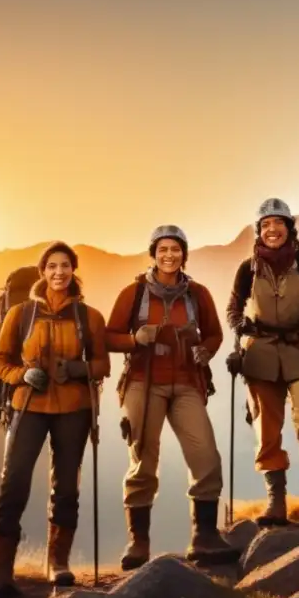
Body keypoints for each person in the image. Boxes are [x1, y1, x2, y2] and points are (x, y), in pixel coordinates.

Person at [0, 241, 111, 598]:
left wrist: (77, 368)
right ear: (42, 271)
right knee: (14, 483)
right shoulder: (20, 315)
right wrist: (21, 376)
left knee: (66, 486)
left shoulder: (89, 317)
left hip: (74, 408)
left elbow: (102, 366)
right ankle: (1, 571)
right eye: (52, 266)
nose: (59, 272)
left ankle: (58, 563)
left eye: (65, 266)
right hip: (28, 406)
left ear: (73, 271)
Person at [106, 225, 239, 569]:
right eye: (163, 249)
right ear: (153, 253)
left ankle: (204, 537)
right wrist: (137, 340)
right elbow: (110, 336)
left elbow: (213, 333)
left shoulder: (197, 293)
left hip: (186, 382)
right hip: (142, 381)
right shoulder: (134, 293)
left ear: (184, 253)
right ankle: (139, 542)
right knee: (143, 457)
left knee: (205, 454)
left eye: (175, 249)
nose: (169, 255)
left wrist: (205, 352)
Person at [226, 198, 299, 525]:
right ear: (259, 231)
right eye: (265, 225)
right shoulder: (247, 267)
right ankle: (275, 503)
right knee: (267, 429)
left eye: (278, 224)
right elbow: (234, 307)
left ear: (289, 228)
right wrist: (239, 326)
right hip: (260, 354)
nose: (272, 230)